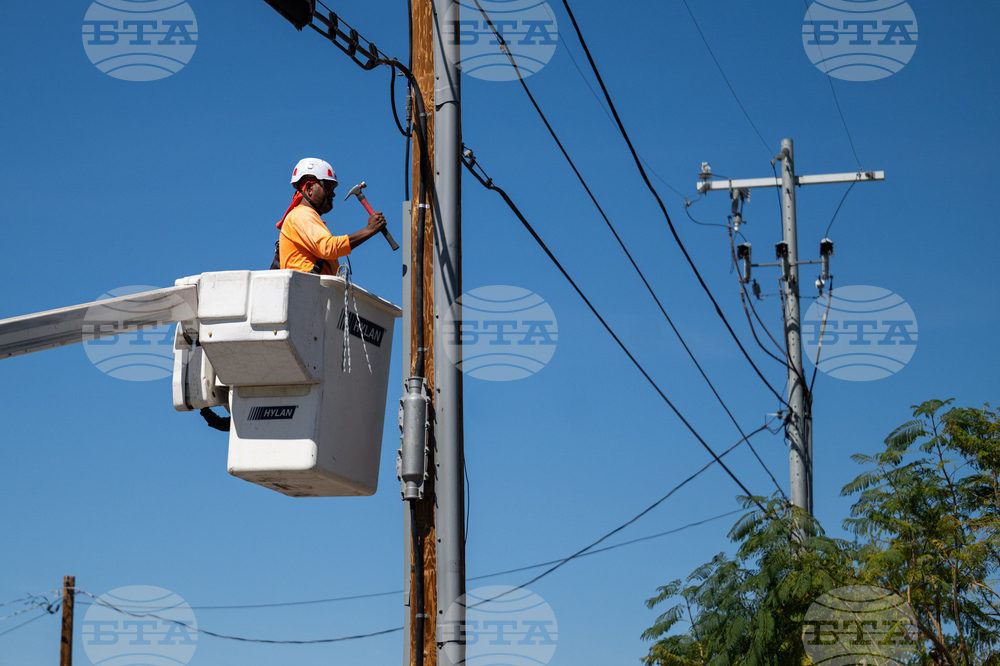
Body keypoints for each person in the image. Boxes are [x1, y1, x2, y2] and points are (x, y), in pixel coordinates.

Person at [274, 158, 387, 275]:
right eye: (328, 187)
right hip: (306, 290)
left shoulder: (304, 216)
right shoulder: (302, 214)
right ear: (309, 189)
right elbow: (328, 247)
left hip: (310, 289)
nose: (333, 194)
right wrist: (369, 230)